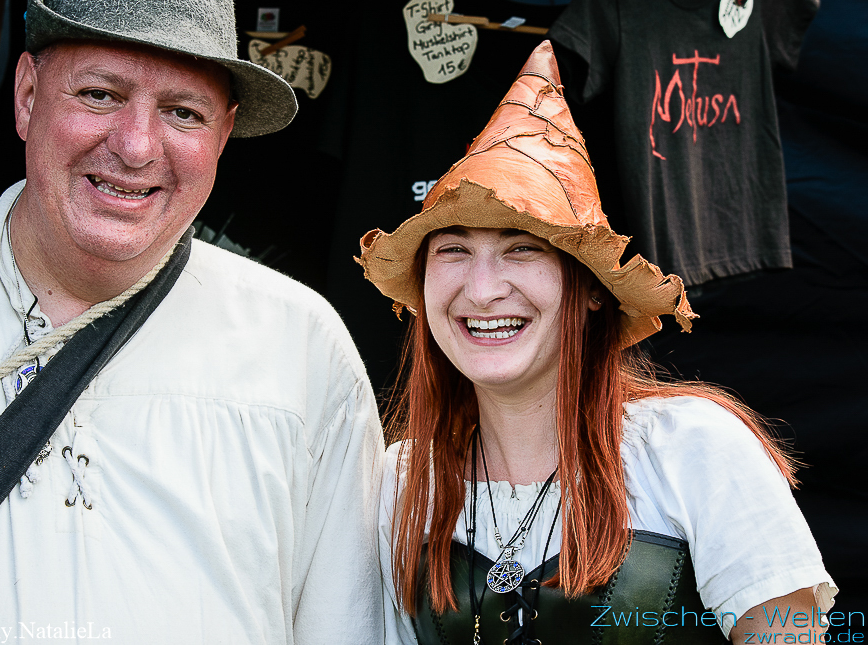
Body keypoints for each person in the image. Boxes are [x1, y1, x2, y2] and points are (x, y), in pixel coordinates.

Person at [0, 0, 383, 642]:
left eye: (183, 112)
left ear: (224, 135)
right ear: (26, 96)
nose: (136, 146)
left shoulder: (302, 350)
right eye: (100, 95)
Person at [357, 41, 835, 645]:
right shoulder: (402, 483)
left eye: (522, 249)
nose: (481, 291)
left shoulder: (691, 449)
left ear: (590, 290)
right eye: (454, 250)